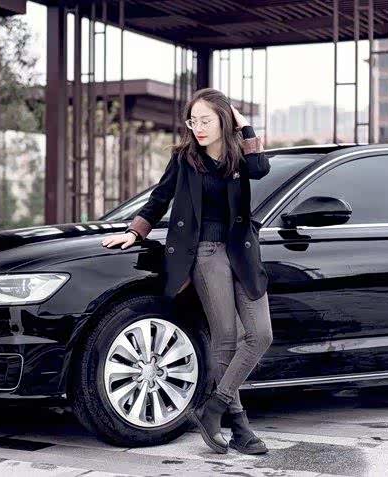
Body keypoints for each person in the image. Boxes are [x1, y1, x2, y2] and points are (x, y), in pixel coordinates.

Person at [101, 88, 273, 455]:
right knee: (226, 337)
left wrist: (243, 125)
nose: (199, 127)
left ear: (223, 120)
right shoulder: (184, 159)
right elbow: (159, 198)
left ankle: (213, 409)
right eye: (193, 121)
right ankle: (240, 426)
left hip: (242, 252)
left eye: (206, 120)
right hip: (205, 253)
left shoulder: (239, 156)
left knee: (260, 335)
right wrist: (135, 232)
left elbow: (261, 168)